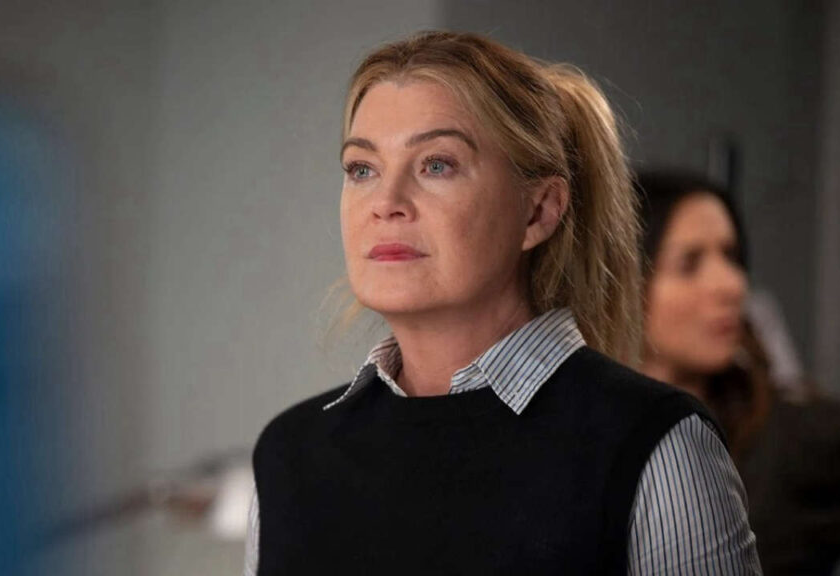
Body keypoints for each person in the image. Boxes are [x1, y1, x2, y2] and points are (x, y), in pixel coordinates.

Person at [244, 32, 761, 575]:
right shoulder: (287, 455)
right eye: (362, 169)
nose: (386, 203)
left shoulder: (656, 443)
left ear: (539, 211)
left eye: (436, 164)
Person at [636, 168, 840, 575]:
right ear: (622, 283)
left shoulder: (810, 440)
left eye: (732, 256)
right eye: (689, 264)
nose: (732, 284)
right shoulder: (577, 437)